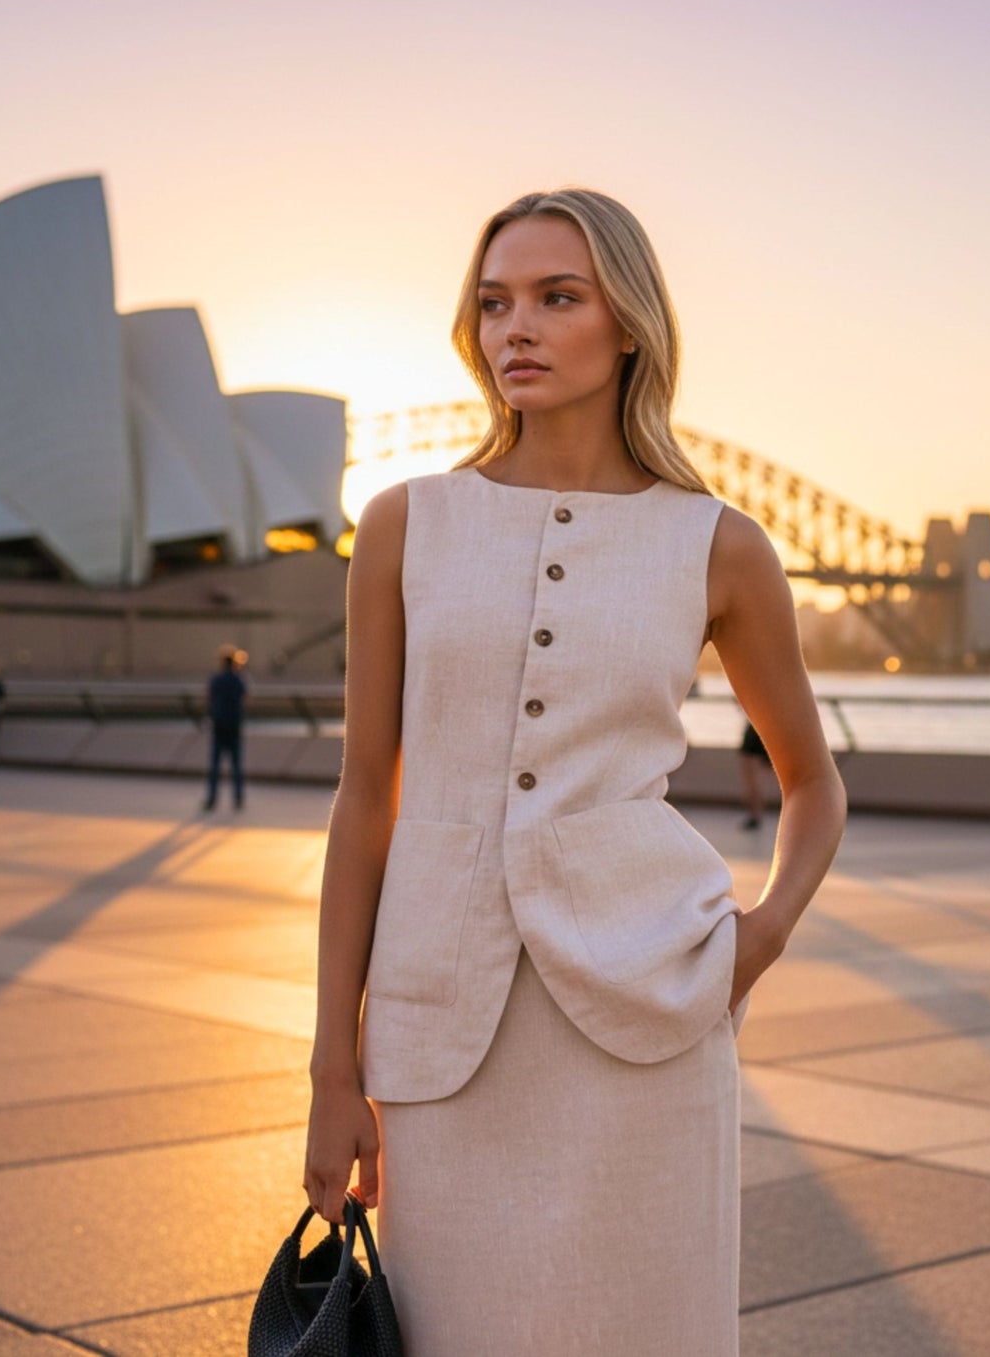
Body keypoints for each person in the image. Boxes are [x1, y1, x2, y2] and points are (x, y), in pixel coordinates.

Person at [303, 189, 847, 1355]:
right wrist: (329, 1066)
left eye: (558, 297)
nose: (518, 328)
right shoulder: (402, 525)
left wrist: (761, 933)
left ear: (629, 325)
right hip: (439, 1034)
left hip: (651, 1011)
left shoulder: (717, 543)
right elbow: (364, 799)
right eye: (494, 302)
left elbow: (811, 780)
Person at [203, 646, 246, 811]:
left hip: (219, 726)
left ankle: (212, 799)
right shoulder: (238, 679)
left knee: (214, 766)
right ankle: (238, 798)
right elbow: (245, 696)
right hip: (234, 727)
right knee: (236, 766)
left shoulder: (216, 678)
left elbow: (209, 698)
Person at [739, 718, 774, 829]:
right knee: (760, 780)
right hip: (772, 730)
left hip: (757, 729)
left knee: (753, 779)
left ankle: (755, 815)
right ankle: (756, 814)